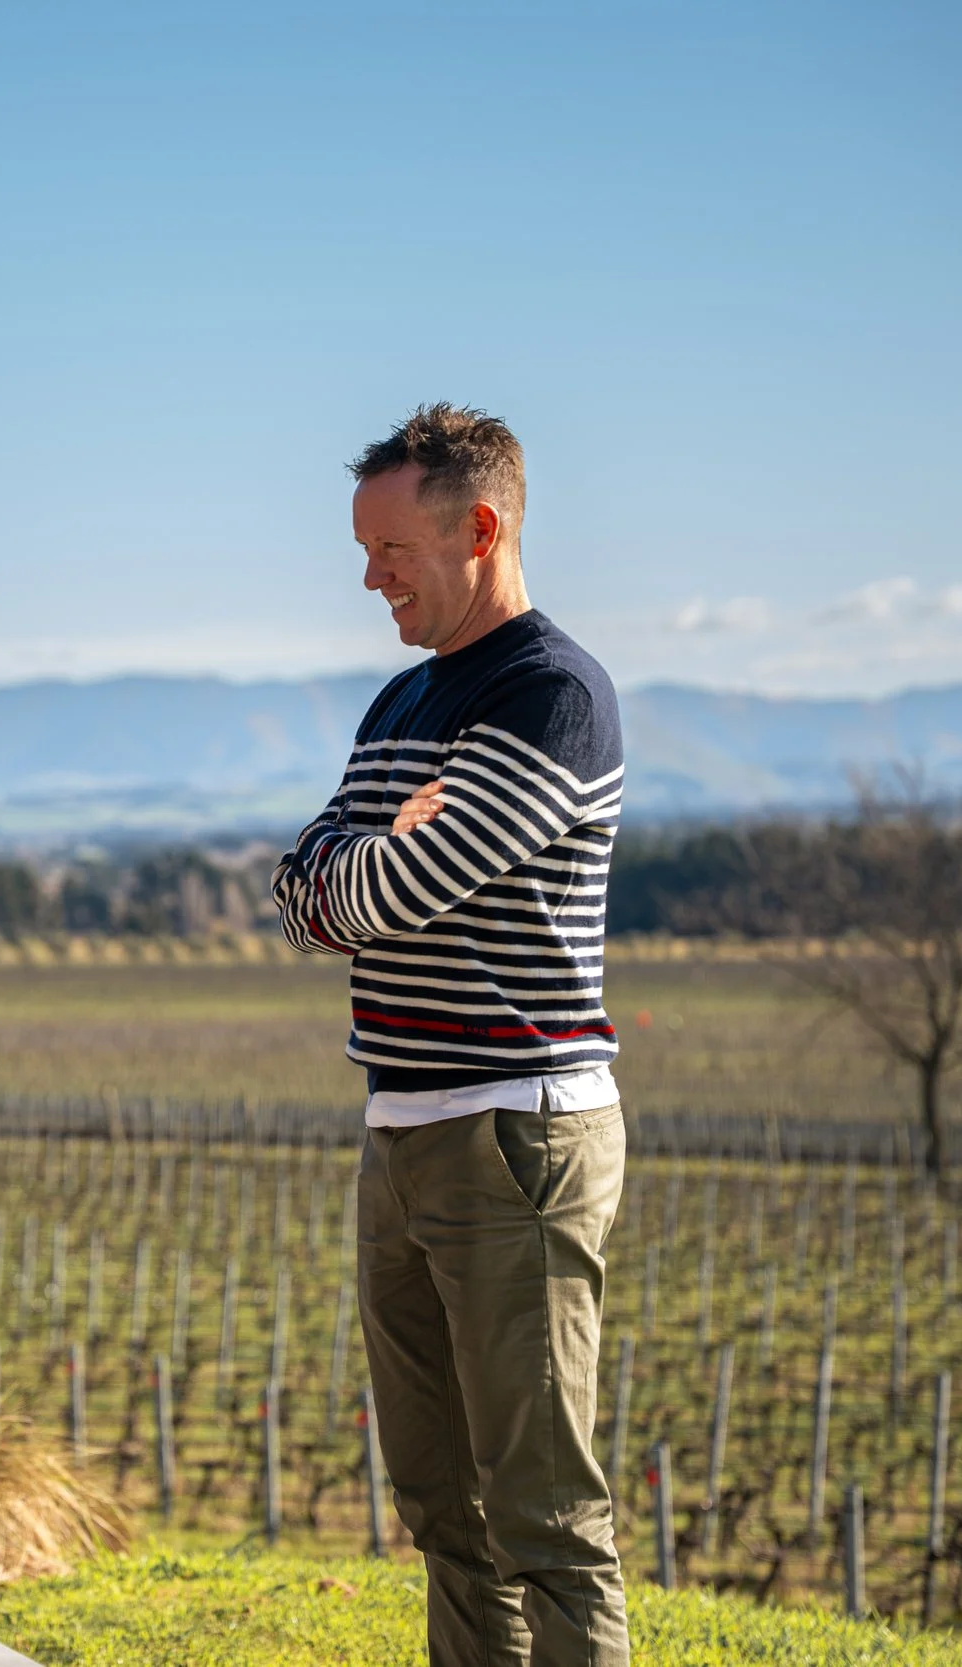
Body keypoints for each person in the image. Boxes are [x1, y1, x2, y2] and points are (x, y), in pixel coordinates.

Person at [273, 404, 628, 1665]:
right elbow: (304, 898)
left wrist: (360, 864)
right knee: (440, 1504)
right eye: (363, 549)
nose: (369, 577)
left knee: (543, 1513)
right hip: (403, 1128)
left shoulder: (550, 694)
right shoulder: (403, 698)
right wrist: (368, 855)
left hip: (514, 1135)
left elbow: (385, 890)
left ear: (479, 529)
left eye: (389, 548)